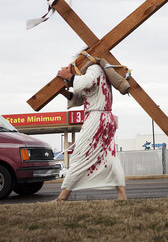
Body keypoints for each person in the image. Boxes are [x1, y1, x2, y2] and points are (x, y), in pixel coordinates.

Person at [54, 62, 127, 201]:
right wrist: (65, 91)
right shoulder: (101, 73)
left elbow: (86, 82)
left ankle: (62, 197)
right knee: (110, 157)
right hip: (106, 118)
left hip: (96, 119)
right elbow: (83, 97)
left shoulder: (94, 68)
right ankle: (122, 194)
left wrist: (69, 76)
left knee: (79, 155)